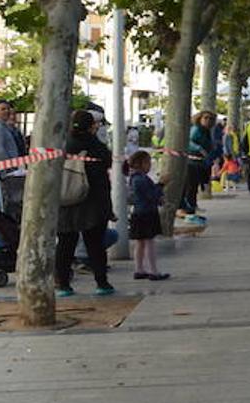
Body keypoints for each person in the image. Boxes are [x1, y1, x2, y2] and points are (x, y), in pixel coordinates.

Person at [55, 109, 116, 297]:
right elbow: (105, 172)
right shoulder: (97, 147)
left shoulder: (61, 144)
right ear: (92, 126)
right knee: (95, 244)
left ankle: (63, 285)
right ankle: (102, 283)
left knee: (65, 245)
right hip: (93, 204)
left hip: (66, 201)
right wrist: (108, 209)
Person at [126, 150, 169, 281]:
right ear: (142, 163)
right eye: (148, 162)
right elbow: (151, 195)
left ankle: (139, 269)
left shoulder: (134, 178)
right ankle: (153, 271)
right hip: (147, 213)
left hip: (138, 213)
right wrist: (161, 184)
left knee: (140, 243)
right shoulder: (141, 179)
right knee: (149, 242)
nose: (150, 165)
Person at [183, 111, 215, 213]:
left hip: (200, 161)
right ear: (199, 118)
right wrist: (199, 148)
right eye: (205, 118)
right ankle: (189, 208)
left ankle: (192, 205)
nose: (208, 120)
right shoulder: (196, 129)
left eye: (210, 118)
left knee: (195, 186)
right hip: (192, 161)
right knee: (191, 186)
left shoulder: (206, 131)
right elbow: (189, 141)